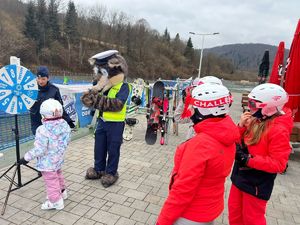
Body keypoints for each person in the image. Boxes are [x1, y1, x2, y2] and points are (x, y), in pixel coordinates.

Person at [157, 83, 239, 225]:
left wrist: (162, 221)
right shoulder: (228, 134)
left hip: (190, 215)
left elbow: (182, 190)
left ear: (206, 111)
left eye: (193, 107)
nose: (190, 109)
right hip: (209, 209)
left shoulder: (200, 145)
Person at [228, 83, 293, 225]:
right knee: (235, 215)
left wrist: (247, 159)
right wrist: (240, 126)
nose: (250, 108)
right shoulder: (255, 120)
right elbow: (236, 141)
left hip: (257, 184)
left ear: (269, 108)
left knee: (252, 219)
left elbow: (279, 164)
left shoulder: (278, 130)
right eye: (249, 103)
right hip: (240, 177)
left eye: (253, 104)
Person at [81, 50, 130, 188]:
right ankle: (99, 169)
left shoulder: (124, 86)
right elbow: (92, 102)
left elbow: (117, 104)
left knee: (113, 149)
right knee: (99, 147)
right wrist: (88, 96)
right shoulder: (103, 88)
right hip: (102, 122)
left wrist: (97, 100)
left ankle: (111, 172)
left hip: (116, 124)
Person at [19, 99, 71, 210]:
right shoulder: (65, 125)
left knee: (51, 181)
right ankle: (62, 192)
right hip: (58, 158)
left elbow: (40, 149)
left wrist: (26, 157)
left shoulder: (42, 129)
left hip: (47, 162)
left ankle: (55, 201)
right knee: (58, 175)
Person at [30, 66, 75, 135]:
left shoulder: (54, 90)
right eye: (38, 78)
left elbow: (60, 107)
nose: (40, 81)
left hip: (51, 123)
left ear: (48, 78)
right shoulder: (31, 89)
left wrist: (68, 121)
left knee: (51, 143)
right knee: (40, 142)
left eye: (43, 79)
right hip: (36, 122)